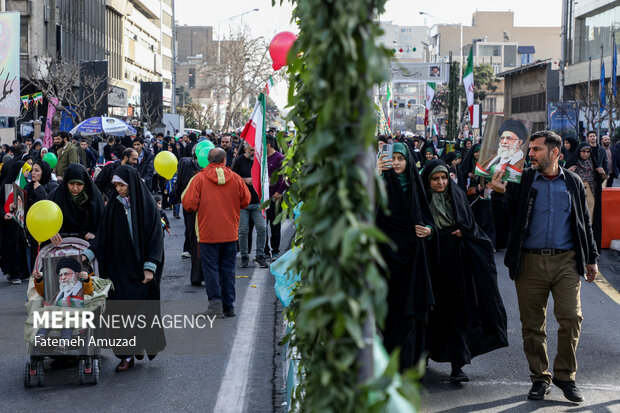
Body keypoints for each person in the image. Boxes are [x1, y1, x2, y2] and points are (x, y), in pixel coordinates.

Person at [491, 130, 598, 403]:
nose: (530, 154)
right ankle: (540, 378)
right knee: (532, 325)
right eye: (530, 150)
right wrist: (499, 195)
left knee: (571, 318)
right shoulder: (523, 179)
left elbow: (584, 224)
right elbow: (504, 222)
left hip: (566, 261)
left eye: (537, 150)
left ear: (554, 153)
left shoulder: (573, 182)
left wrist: (592, 258)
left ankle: (566, 376)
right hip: (528, 261)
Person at [421, 159, 508, 383]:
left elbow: (472, 226)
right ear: (428, 180)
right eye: (435, 179)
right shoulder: (420, 199)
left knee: (457, 313)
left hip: (456, 264)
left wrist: (464, 232)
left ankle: (457, 366)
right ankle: (422, 359)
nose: (440, 183)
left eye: (443, 178)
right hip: (430, 263)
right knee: (428, 312)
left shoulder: (457, 195)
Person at [82, 165, 166, 371]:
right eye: (116, 185)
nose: (118, 189)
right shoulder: (114, 206)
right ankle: (125, 355)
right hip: (117, 269)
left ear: (131, 184)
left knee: (138, 312)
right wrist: (89, 254)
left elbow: (156, 240)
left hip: (139, 271)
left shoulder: (147, 206)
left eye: (122, 185)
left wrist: (149, 267)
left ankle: (138, 345)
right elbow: (103, 234)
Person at [376, 142, 438, 370]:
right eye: (393, 159)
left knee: (411, 315)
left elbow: (428, 219)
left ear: (408, 161)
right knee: (388, 316)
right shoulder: (379, 185)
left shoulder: (415, 184)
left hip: (413, 263)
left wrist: (429, 231)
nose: (396, 163)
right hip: (385, 261)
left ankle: (409, 367)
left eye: (401, 159)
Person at [181, 148, 251, 317]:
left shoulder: (199, 179)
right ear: (225, 160)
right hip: (230, 232)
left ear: (208, 160)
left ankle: (215, 307)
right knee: (228, 269)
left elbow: (189, 204)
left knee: (211, 269)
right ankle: (229, 306)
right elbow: (246, 201)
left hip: (207, 233)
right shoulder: (235, 178)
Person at [33, 258, 93, 343]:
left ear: (75, 275)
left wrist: (87, 280)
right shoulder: (61, 290)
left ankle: (64, 342)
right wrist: (39, 280)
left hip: (72, 315)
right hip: (56, 314)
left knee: (68, 322)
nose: (63, 278)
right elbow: (42, 292)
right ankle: (40, 337)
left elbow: (89, 291)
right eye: (61, 275)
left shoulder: (81, 287)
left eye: (66, 274)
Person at [231, 142, 269, 268]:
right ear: (246, 148)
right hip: (243, 204)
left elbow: (266, 177)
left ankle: (260, 255)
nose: (253, 152)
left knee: (262, 229)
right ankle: (244, 256)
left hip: (258, 202)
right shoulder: (239, 161)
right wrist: (245, 180)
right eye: (252, 150)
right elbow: (233, 178)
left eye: (255, 150)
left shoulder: (259, 161)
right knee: (243, 231)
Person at [50, 163, 105, 243]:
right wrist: (51, 232)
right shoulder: (56, 196)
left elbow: (101, 226)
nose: (75, 188)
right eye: (71, 184)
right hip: (59, 245)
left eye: (79, 184)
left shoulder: (95, 199)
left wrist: (92, 234)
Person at [565, 142, 605, 252]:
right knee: (577, 218)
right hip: (577, 193)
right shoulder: (573, 162)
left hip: (591, 194)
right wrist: (568, 171)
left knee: (590, 221)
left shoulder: (592, 162)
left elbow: (599, 179)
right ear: (579, 151)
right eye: (584, 151)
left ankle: (589, 246)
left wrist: (602, 173)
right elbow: (563, 177)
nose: (586, 154)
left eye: (588, 152)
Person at [24, 160, 59, 269]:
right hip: (33, 230)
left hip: (49, 231)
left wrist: (40, 190)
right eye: (32, 170)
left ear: (44, 172)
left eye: (37, 170)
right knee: (35, 262)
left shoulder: (53, 186)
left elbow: (51, 206)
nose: (33, 173)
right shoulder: (29, 186)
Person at [0, 160, 30, 284]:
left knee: (21, 246)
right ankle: (13, 272)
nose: (27, 173)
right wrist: (3, 214)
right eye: (26, 170)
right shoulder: (4, 187)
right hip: (8, 224)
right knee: (12, 247)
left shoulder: (26, 185)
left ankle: (22, 272)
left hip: (22, 223)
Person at [264, 135, 287, 261]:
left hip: (275, 198)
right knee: (263, 226)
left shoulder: (280, 158)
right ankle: (265, 251)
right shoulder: (262, 159)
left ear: (268, 145)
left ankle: (275, 251)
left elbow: (287, 178)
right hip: (264, 198)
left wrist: (279, 192)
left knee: (275, 225)